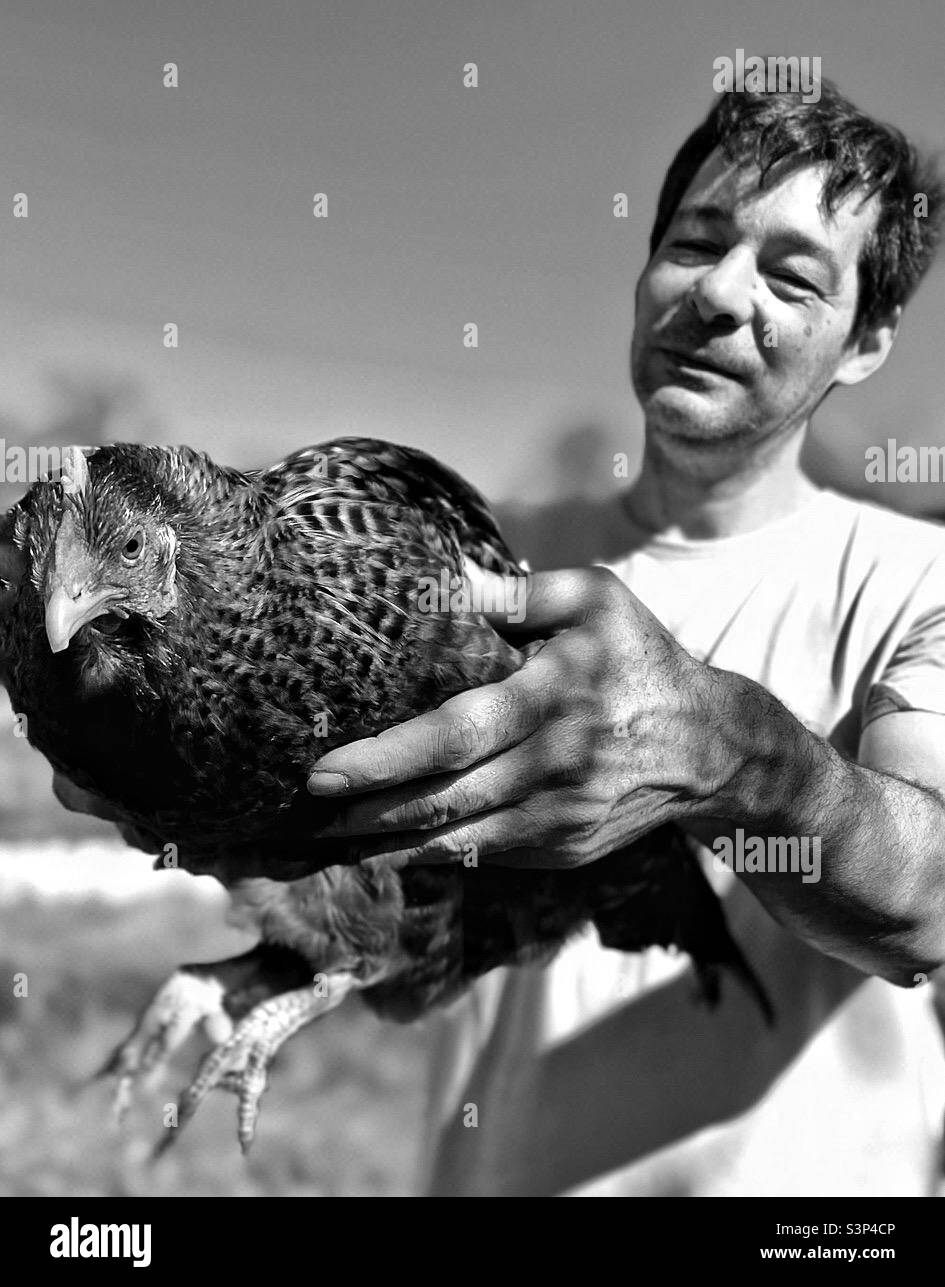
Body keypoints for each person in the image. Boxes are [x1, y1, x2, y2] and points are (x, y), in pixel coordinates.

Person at [304, 81, 945, 1195]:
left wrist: (732, 757)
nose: (720, 295)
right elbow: (376, 872)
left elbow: (926, 904)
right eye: (696, 242)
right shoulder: (480, 556)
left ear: (868, 341)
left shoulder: (915, 579)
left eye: (793, 276)